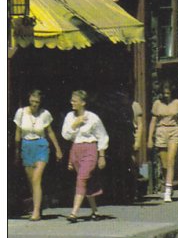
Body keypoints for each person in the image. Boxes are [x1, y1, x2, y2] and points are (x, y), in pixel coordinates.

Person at [14, 90, 63, 221]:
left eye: (37, 102)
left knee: (36, 179)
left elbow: (50, 132)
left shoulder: (44, 114)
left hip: (41, 145)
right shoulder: (21, 113)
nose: (35, 104)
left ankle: (36, 212)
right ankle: (38, 206)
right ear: (29, 99)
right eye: (32, 101)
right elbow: (18, 133)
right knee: (31, 181)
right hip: (26, 146)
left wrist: (58, 149)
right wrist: (17, 152)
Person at [61, 90, 109, 223]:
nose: (72, 103)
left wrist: (102, 155)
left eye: (75, 101)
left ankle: (74, 213)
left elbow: (102, 136)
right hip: (76, 150)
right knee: (86, 182)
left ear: (83, 103)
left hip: (90, 149)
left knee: (81, 178)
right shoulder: (69, 116)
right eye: (71, 100)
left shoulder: (93, 118)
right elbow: (66, 135)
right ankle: (95, 211)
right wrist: (75, 123)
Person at [147, 81, 178, 203]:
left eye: (168, 92)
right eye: (164, 92)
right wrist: (149, 138)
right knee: (164, 164)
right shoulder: (157, 104)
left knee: (171, 161)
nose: (166, 95)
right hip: (161, 132)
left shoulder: (177, 103)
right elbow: (153, 122)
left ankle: (168, 190)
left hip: (174, 132)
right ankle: (168, 182)